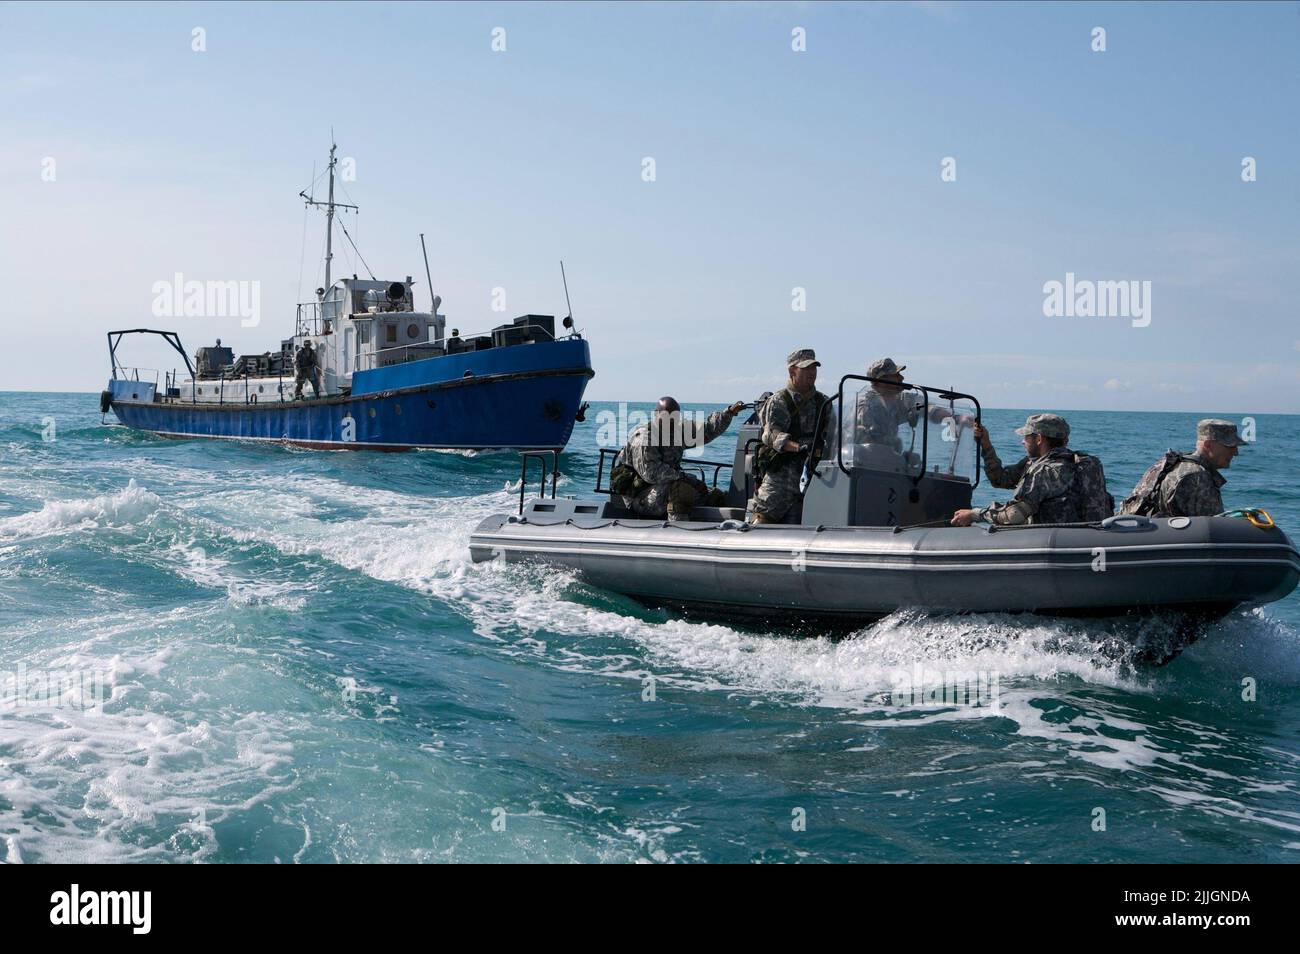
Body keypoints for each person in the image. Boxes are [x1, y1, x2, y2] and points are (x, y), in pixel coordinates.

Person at [951, 413, 1112, 526]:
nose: (1023, 442)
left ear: (1039, 439)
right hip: (1090, 538)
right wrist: (986, 444)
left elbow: (1013, 515)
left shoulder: (1045, 470)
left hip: (1056, 545)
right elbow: (1000, 479)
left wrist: (974, 514)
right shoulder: (1089, 463)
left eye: (1026, 437)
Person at [612, 396, 745, 521]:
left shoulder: (676, 432)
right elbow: (652, 473)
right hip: (640, 497)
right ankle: (677, 530)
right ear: (656, 414)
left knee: (715, 497)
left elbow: (708, 429)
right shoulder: (644, 438)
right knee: (681, 491)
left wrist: (730, 412)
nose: (671, 420)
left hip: (666, 487)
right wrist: (688, 479)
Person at [750, 349, 833, 524]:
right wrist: (799, 447)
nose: (812, 372)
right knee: (761, 522)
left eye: (814, 368)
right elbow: (771, 435)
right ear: (792, 371)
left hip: (812, 478)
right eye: (806, 368)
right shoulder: (779, 400)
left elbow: (833, 436)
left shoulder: (823, 402)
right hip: (781, 479)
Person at [1119, 419, 1243, 517]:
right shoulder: (1197, 477)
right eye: (1230, 446)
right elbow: (1211, 530)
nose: (1236, 452)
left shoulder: (1167, 464)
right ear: (1208, 445)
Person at [853, 357, 970, 456]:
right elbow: (869, 440)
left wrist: (955, 419)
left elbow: (925, 408)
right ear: (881, 380)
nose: (901, 378)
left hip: (889, 466)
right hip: (865, 466)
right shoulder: (865, 404)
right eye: (896, 374)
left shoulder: (902, 400)